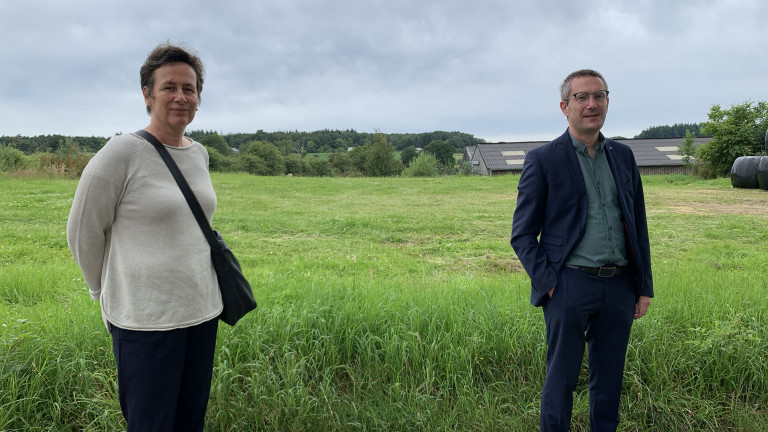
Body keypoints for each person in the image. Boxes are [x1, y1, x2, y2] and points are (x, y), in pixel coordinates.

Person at [67, 43, 221, 431]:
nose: (181, 96)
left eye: (189, 88)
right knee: (150, 423)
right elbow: (82, 230)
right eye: (169, 87)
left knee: (190, 421)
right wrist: (99, 293)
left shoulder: (199, 153)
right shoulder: (122, 152)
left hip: (202, 312)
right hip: (145, 320)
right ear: (147, 94)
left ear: (198, 97)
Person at [510, 69, 653, 431]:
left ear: (607, 102)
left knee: (609, 383)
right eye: (582, 97)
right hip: (568, 285)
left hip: (619, 287)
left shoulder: (622, 156)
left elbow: (637, 224)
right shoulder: (543, 160)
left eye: (599, 96)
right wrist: (551, 285)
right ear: (564, 106)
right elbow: (522, 234)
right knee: (561, 381)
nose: (592, 104)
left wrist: (643, 285)